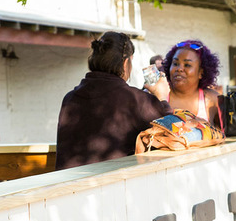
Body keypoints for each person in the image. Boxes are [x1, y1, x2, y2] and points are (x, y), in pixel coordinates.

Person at [56, 32, 171, 169]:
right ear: (125, 63)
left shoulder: (70, 98)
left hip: (68, 180)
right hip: (112, 181)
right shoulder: (134, 99)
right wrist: (161, 97)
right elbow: (172, 132)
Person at [162, 39, 223, 129]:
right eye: (175, 63)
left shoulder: (213, 100)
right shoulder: (159, 96)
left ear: (201, 72)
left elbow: (225, 133)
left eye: (187, 65)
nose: (179, 69)